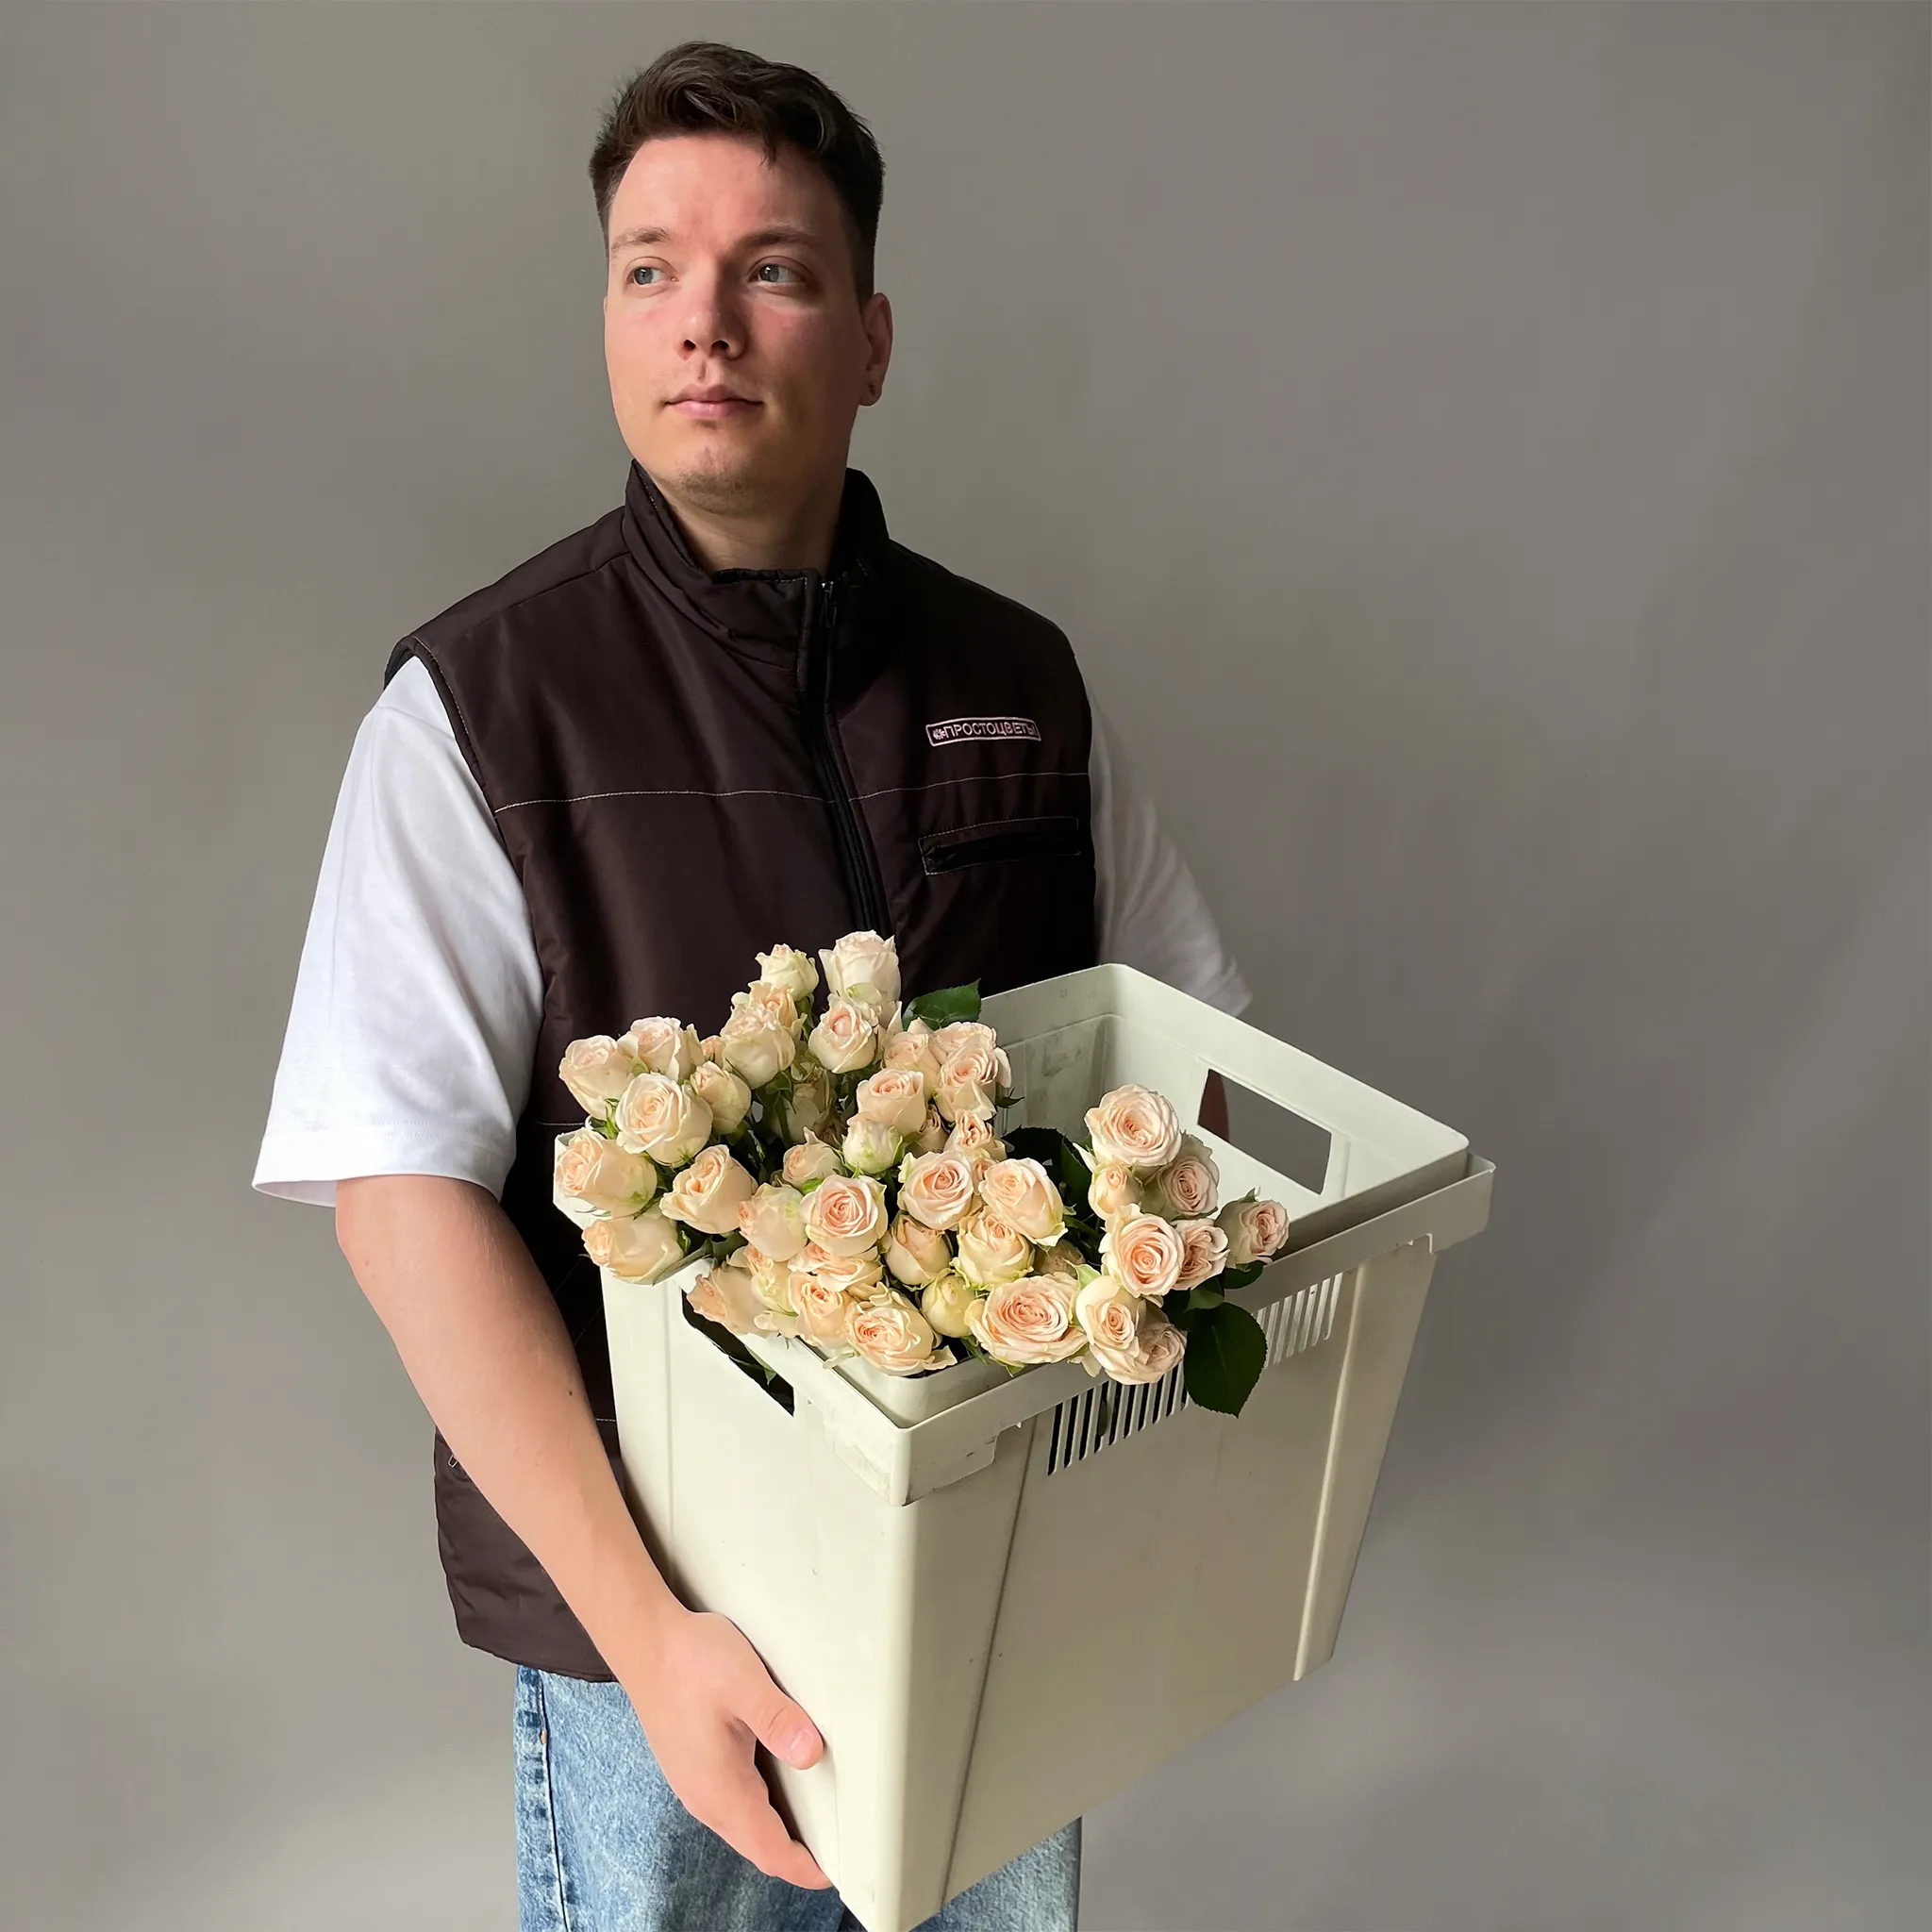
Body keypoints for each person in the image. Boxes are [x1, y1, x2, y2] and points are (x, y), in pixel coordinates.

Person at [252, 40, 1252, 1932]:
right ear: (606, 319)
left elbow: (1191, 1081)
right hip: (659, 1627)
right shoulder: (484, 709)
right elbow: (399, 1199)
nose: (702, 320)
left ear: (869, 339)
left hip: (983, 1586)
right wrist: (651, 1637)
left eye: (771, 270)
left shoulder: (1020, 685)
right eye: (650, 269)